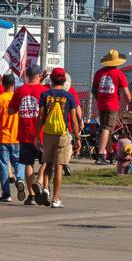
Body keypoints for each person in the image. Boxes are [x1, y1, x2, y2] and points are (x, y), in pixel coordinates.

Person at [36, 68, 80, 210]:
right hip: (62, 134)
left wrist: (37, 135)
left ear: (52, 80)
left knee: (48, 163)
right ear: (64, 80)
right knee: (59, 166)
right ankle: (55, 199)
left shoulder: (45, 95)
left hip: (48, 134)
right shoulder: (69, 97)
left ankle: (46, 190)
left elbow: (41, 116)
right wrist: (77, 137)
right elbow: (73, 119)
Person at [9, 64, 48, 206]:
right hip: (41, 133)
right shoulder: (44, 91)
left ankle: (31, 195)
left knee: (28, 163)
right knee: (46, 161)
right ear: (38, 76)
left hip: (25, 132)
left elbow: (11, 110)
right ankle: (40, 182)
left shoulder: (20, 90)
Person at [0, 72, 24, 202]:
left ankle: (6, 193)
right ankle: (20, 179)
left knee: (2, 165)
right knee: (19, 162)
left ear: (3, 84)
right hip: (17, 137)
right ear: (14, 84)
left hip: (1, 137)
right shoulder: (19, 98)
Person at [91, 49, 131, 164]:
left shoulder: (98, 73)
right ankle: (100, 155)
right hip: (112, 105)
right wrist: (130, 103)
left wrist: (100, 99)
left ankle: (111, 155)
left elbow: (94, 90)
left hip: (101, 105)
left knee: (107, 130)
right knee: (107, 129)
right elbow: (126, 93)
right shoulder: (119, 74)